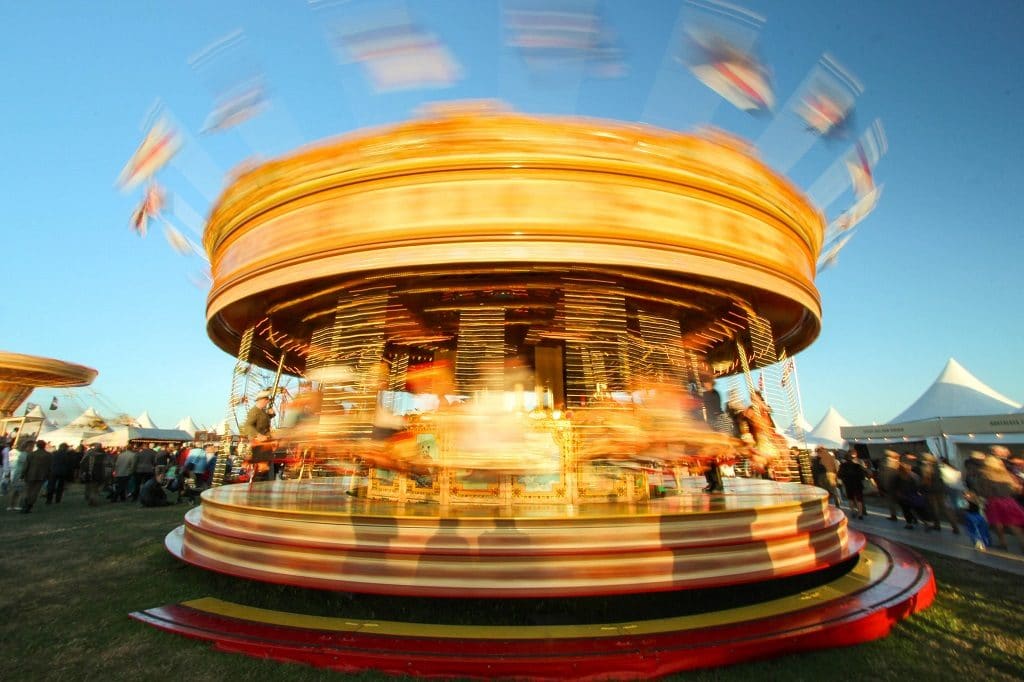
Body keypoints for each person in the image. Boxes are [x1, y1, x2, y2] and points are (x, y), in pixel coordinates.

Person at [974, 454, 1024, 551]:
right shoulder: (1006, 474)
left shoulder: (984, 474)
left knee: (997, 522)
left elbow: (983, 491)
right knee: (1013, 523)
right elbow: (1014, 489)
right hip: (1009, 501)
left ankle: (1003, 543)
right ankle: (1023, 542)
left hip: (994, 501)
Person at [920, 452, 959, 534]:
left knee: (935, 509)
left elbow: (926, 480)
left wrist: (922, 488)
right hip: (941, 490)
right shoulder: (938, 466)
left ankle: (937, 525)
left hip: (931, 491)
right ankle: (954, 526)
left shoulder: (927, 467)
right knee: (945, 509)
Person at [19, 440, 53, 513]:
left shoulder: (31, 454)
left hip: (30, 474)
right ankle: (29, 506)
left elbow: (26, 466)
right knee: (35, 491)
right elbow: (50, 467)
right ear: (44, 446)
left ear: (37, 446)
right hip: (41, 475)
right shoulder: (48, 455)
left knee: (28, 490)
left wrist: (22, 474)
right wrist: (48, 475)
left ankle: (25, 504)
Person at [838, 451, 866, 519]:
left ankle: (853, 512)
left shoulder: (843, 465)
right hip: (857, 484)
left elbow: (839, 475)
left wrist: (845, 479)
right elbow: (862, 476)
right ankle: (860, 514)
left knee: (851, 498)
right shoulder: (857, 466)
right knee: (859, 499)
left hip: (848, 484)